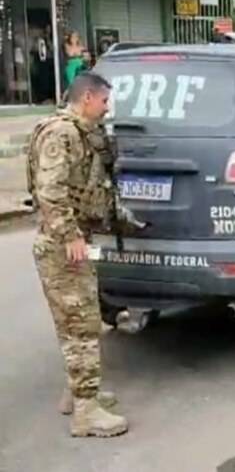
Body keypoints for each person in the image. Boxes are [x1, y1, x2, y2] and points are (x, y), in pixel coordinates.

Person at [28, 72, 128, 438]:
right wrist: (70, 235)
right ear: (87, 98)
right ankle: (86, 412)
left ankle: (79, 394)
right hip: (63, 246)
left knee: (77, 323)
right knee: (82, 327)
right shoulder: (63, 133)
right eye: (104, 101)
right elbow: (49, 190)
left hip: (74, 241)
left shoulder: (76, 132)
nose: (106, 108)